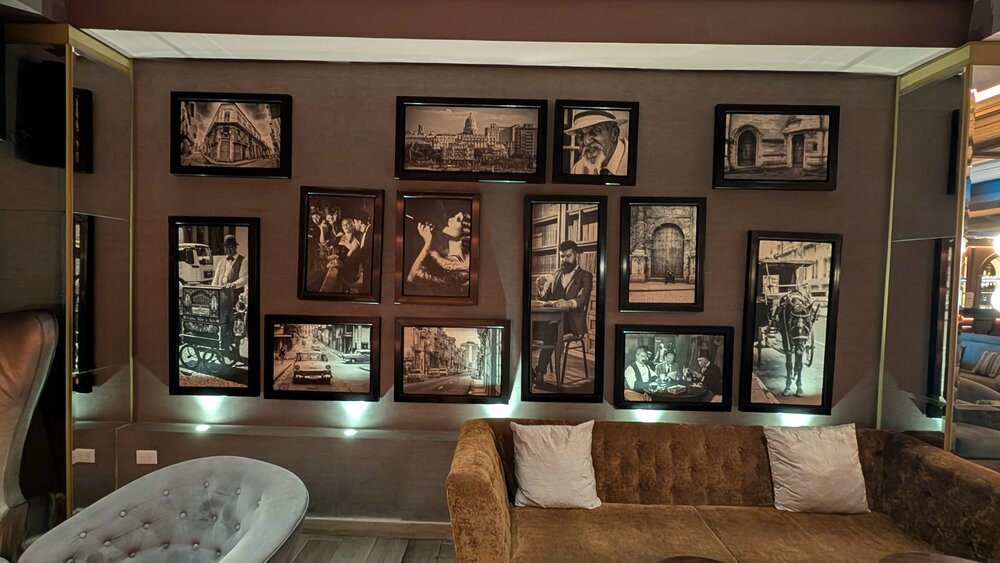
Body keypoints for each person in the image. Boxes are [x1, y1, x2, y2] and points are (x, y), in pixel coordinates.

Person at [531, 240, 593, 383]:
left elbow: (583, 299)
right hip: (551, 319)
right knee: (526, 328)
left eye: (568, 256)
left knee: (550, 331)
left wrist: (569, 303)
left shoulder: (585, 276)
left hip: (571, 323)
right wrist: (541, 288)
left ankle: (539, 372)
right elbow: (545, 298)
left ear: (576, 256)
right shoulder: (557, 273)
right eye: (562, 257)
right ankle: (529, 370)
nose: (564, 260)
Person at [406, 210, 471, 297]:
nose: (450, 219)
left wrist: (427, 243)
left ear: (465, 232)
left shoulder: (461, 270)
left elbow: (413, 277)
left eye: (458, 220)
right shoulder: (442, 256)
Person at [211, 234, 248, 353]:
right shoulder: (221, 261)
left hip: (236, 296)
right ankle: (223, 345)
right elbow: (216, 279)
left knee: (236, 322)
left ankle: (236, 348)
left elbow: (244, 279)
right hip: (222, 297)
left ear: (235, 247)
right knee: (223, 321)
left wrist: (234, 284)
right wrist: (212, 292)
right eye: (226, 247)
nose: (228, 250)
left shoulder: (244, 260)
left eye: (231, 247)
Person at [565, 109, 629, 176]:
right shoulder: (578, 169)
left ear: (614, 134)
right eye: (580, 135)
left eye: (594, 131)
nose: (586, 142)